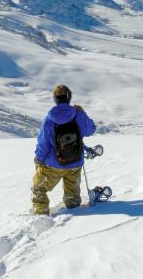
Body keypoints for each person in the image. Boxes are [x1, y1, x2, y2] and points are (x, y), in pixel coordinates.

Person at [31, 84, 96, 215]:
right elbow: (91, 129)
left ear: (55, 99)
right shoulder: (77, 114)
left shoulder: (49, 119)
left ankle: (40, 214)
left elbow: (43, 143)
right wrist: (82, 113)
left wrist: (39, 160)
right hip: (75, 162)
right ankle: (74, 210)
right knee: (72, 191)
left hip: (53, 164)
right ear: (69, 98)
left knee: (39, 188)